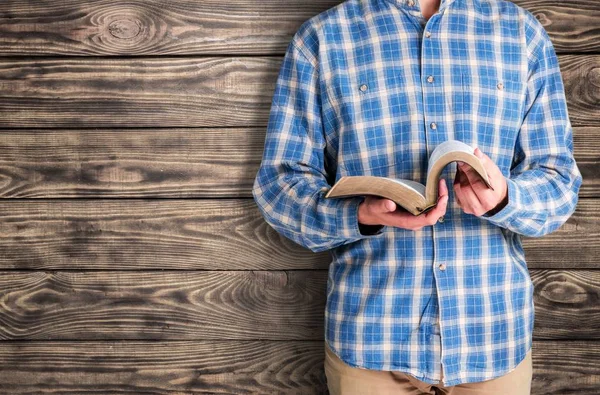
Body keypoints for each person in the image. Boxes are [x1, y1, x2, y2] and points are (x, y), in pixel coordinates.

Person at [252, 0, 582, 392]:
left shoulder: (520, 34)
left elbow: (559, 181)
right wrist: (360, 216)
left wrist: (505, 199)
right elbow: (279, 185)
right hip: (370, 342)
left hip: (493, 337)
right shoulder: (323, 38)